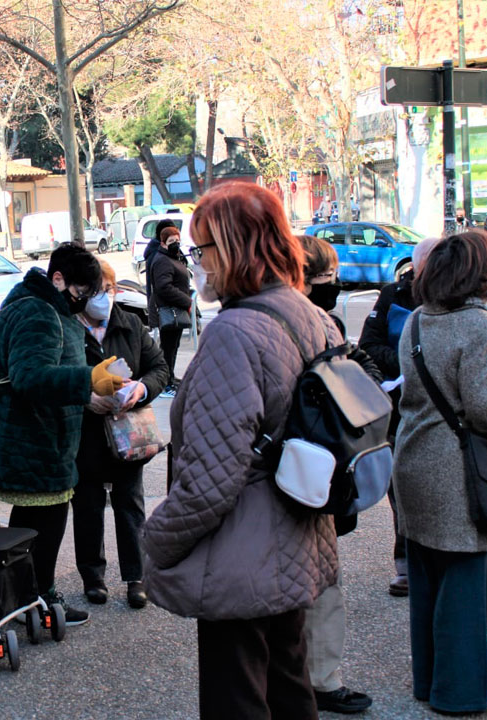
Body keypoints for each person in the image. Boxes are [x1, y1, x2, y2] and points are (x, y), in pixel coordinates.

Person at [143, 182, 338, 720]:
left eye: (201, 250)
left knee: (240, 696)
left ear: (233, 249)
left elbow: (209, 480)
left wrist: (155, 540)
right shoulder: (308, 313)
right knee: (288, 682)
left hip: (241, 551)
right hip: (298, 529)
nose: (195, 263)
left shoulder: (234, 332)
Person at [393, 230, 487, 714]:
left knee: (428, 582)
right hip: (461, 471)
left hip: (413, 462)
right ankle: (461, 693)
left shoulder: (416, 320)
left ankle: (431, 682)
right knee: (468, 587)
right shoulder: (480, 325)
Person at [0, 244, 125, 626]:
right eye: (81, 293)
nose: (85, 302)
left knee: (43, 521)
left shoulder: (52, 307)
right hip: (32, 438)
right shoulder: (37, 311)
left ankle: (34, 595)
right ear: (57, 279)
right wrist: (86, 380)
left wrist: (89, 378)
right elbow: (29, 376)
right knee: (40, 524)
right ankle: (33, 599)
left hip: (47, 438)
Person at [298, 235, 377, 715]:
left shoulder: (325, 324)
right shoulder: (309, 325)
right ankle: (317, 680)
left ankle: (318, 677)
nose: (335, 286)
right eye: (327, 278)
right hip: (308, 471)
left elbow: (363, 369)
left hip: (318, 471)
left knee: (320, 581)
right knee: (315, 583)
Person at [71, 258, 168, 610]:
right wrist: (86, 398)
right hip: (86, 434)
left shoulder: (130, 324)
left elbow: (160, 368)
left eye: (109, 289)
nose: (104, 298)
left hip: (129, 432)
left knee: (130, 505)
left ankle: (136, 577)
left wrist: (142, 389)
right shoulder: (69, 329)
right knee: (87, 506)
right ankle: (93, 577)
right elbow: (59, 378)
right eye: (97, 291)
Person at [358, 237, 442, 598]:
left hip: (442, 413)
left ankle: (471, 564)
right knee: (402, 489)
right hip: (398, 407)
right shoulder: (394, 294)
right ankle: (406, 564)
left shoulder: (457, 299)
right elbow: (369, 347)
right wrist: (409, 361)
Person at [147, 225, 191, 398]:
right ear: (163, 243)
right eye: (171, 241)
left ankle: (170, 378)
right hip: (168, 310)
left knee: (172, 347)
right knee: (167, 348)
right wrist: (186, 300)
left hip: (175, 309)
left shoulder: (174, 257)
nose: (176, 243)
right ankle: (164, 384)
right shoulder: (162, 260)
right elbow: (164, 287)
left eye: (177, 240)